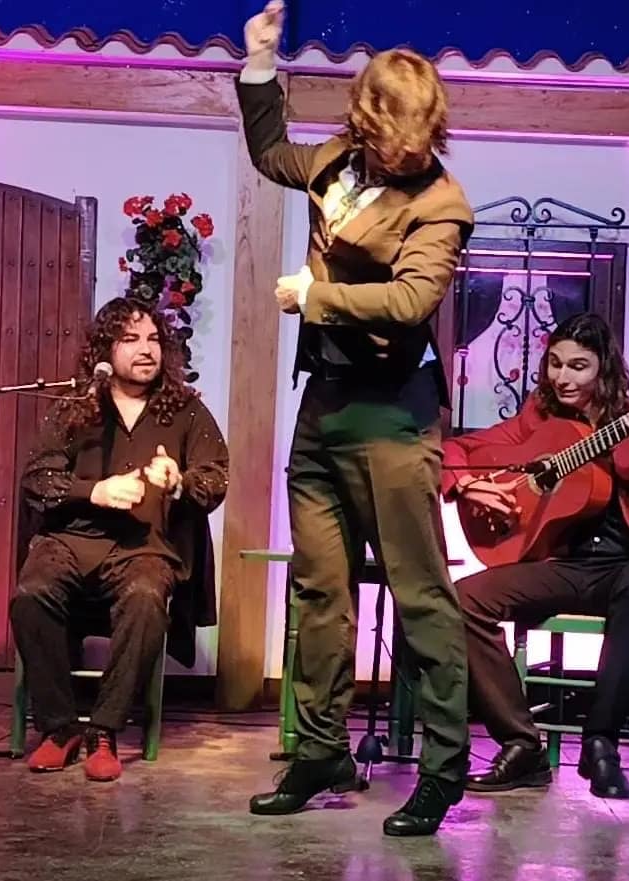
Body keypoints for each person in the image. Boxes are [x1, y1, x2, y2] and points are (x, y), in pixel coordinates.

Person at [236, 1, 474, 836]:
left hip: (393, 416)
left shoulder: (441, 204)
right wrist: (259, 66)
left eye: (409, 141)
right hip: (325, 403)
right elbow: (272, 153)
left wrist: (316, 296)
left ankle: (443, 771)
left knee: (420, 595)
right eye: (383, 138)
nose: (396, 154)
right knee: (319, 588)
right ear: (364, 120)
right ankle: (319, 750)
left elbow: (409, 301)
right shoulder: (338, 157)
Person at [442, 312, 629, 799]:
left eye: (578, 366)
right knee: (464, 599)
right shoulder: (537, 421)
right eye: (555, 364)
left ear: (603, 368)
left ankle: (600, 744)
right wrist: (467, 485)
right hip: (565, 568)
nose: (562, 377)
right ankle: (522, 745)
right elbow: (455, 452)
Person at [10, 297, 229, 782]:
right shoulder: (75, 406)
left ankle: (105, 730)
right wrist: (95, 492)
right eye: (130, 339)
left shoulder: (186, 410)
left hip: (143, 547)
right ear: (105, 350)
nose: (145, 349)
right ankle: (60, 728)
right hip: (69, 541)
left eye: (153, 339)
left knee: (147, 597)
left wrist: (178, 482)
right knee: (31, 594)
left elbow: (215, 478)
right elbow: (37, 478)